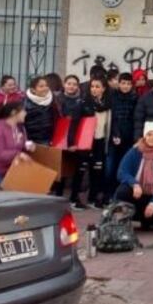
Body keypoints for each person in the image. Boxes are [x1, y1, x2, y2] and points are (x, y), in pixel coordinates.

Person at [115, 121, 153, 232]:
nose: (152, 138)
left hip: (152, 195)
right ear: (144, 136)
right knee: (122, 190)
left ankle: (146, 219)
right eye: (149, 134)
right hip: (137, 193)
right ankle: (126, 217)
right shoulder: (134, 152)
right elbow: (122, 172)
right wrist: (134, 183)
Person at [70, 78, 111, 209]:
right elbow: (74, 124)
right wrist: (72, 142)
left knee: (97, 170)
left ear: (104, 88)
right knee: (81, 170)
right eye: (92, 86)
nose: (94, 89)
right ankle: (74, 198)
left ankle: (93, 199)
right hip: (85, 141)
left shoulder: (108, 104)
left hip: (100, 140)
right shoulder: (83, 103)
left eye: (97, 86)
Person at [0, 101, 34, 186]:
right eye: (23, 111)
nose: (25, 113)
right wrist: (18, 154)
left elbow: (21, 144)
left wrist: (28, 146)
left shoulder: (20, 127)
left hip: (13, 170)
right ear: (13, 113)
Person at [108, 73, 138, 201]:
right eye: (123, 83)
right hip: (114, 136)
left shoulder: (136, 98)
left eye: (128, 84)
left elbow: (136, 118)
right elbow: (112, 118)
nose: (125, 86)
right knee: (110, 167)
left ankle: (121, 195)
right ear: (119, 83)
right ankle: (109, 194)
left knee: (124, 167)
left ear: (132, 85)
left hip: (129, 137)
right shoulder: (112, 97)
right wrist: (115, 133)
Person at [23, 75, 59, 145]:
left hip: (51, 141)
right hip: (31, 142)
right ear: (33, 89)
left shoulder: (54, 100)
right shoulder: (24, 103)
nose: (45, 88)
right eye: (41, 86)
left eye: (46, 85)